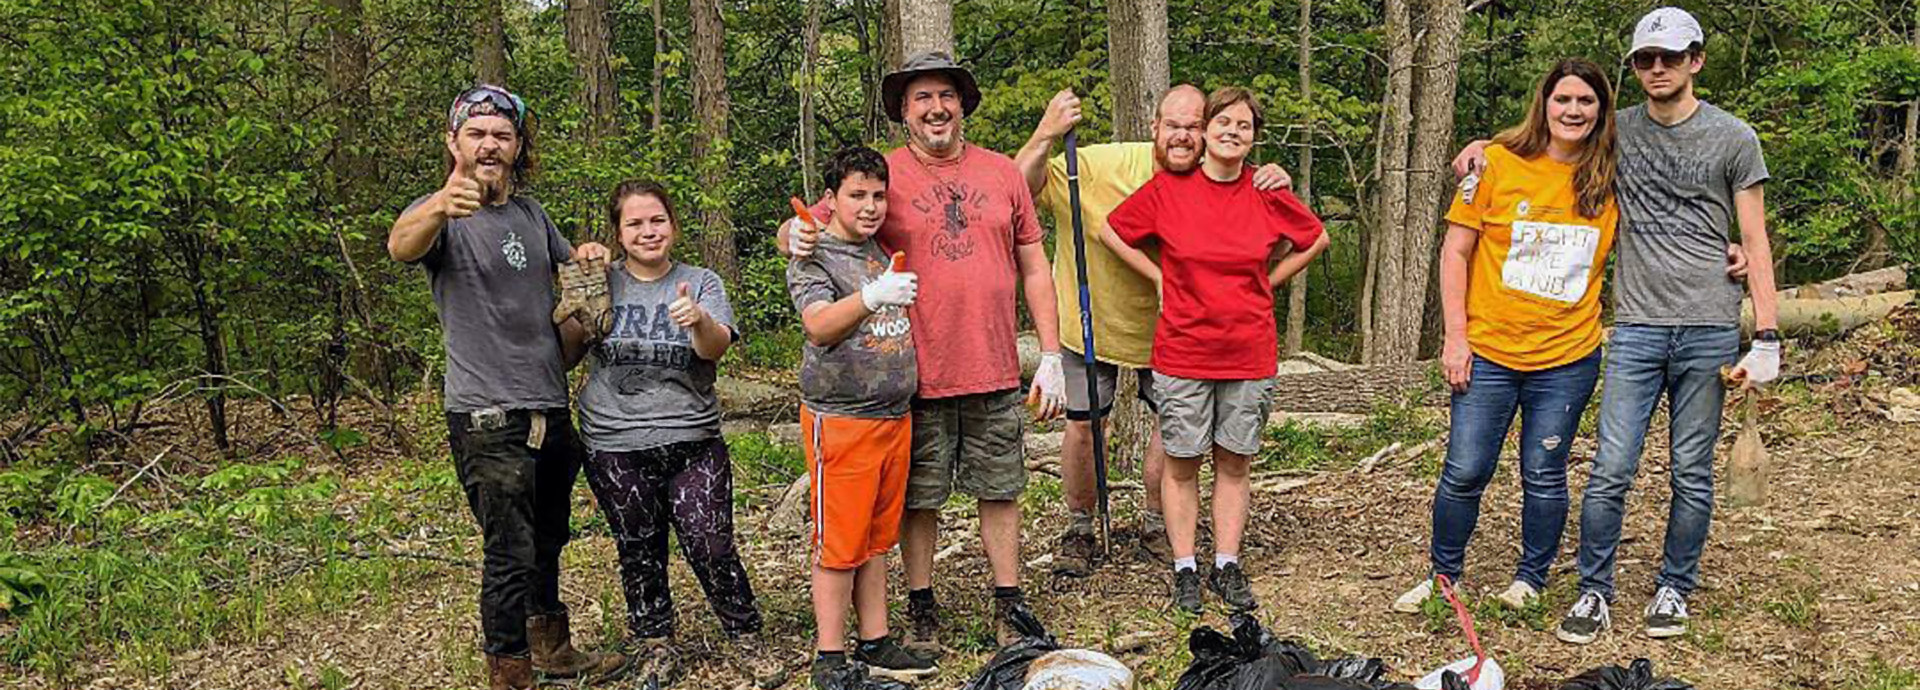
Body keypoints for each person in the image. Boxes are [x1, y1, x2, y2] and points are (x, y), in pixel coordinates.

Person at [1455, 6, 1782, 644]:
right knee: (1611, 467)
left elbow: (1754, 238)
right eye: (1645, 59)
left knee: (1691, 471)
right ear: (1634, 67)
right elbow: (1544, 138)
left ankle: (1674, 586)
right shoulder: (1615, 133)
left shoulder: (1735, 138)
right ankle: (1594, 591)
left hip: (1710, 325)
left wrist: (1766, 333)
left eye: (1671, 57)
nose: (1658, 68)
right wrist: (1478, 150)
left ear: (1696, 60)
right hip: (1634, 327)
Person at [780, 51, 1070, 651]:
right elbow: (806, 227)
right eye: (922, 99)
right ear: (904, 111)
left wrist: (1051, 354)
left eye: (946, 96)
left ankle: (1009, 602)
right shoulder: (880, 177)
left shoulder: (1002, 173)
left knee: (1001, 487)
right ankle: (921, 604)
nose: (936, 108)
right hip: (914, 373)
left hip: (993, 364)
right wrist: (794, 235)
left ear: (962, 105)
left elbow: (1034, 266)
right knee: (919, 498)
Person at [386, 84, 627, 689]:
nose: (489, 145)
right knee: (509, 551)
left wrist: (590, 261)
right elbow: (399, 244)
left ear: (518, 146)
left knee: (548, 537)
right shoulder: (443, 216)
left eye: (501, 135)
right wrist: (439, 205)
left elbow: (574, 291)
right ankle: (510, 673)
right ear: (454, 142)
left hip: (547, 403)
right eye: (476, 134)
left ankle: (552, 648)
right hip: (487, 416)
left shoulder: (532, 217)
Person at [1012, 85, 1295, 576]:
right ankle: (1080, 526)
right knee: (1084, 425)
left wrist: (1277, 183)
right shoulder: (1099, 165)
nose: (1182, 137)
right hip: (1091, 322)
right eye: (1173, 126)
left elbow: (1279, 239)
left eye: (1194, 127)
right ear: (1154, 127)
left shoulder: (1226, 179)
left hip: (1177, 335)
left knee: (1172, 430)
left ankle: (1156, 523)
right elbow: (1019, 189)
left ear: (1207, 131)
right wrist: (1045, 134)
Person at [1390, 59, 1620, 617]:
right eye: (1563, 99)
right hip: (1489, 350)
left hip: (1566, 357)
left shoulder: (1613, 174)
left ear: (1601, 111)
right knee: (1465, 469)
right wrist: (1455, 337)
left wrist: (1727, 250)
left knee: (1543, 472)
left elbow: (1672, 212)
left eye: (1585, 101)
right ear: (1544, 104)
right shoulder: (1494, 164)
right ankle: (1443, 577)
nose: (1573, 111)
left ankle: (1530, 579)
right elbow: (1455, 251)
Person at [1101, 87, 1329, 613]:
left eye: (1243, 126)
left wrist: (1270, 281)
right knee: (1182, 462)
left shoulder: (1266, 189)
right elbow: (1114, 231)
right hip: (1183, 350)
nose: (1232, 132)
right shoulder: (1168, 189)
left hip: (1248, 352)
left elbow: (1315, 238)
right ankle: (1185, 567)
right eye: (1222, 122)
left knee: (1234, 461)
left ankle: (1227, 563)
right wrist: (1157, 276)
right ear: (1205, 131)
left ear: (1253, 138)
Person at [565, 180, 783, 686]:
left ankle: (745, 635)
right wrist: (579, 294)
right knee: (638, 547)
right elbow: (567, 355)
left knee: (710, 542)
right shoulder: (602, 281)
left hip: (692, 438)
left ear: (674, 226)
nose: (648, 231)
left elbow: (714, 348)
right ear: (618, 232)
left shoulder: (700, 281)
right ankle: (655, 643)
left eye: (657, 220)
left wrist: (698, 320)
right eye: (635, 223)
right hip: (615, 441)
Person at [787, 148, 940, 687]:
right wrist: (873, 296)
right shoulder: (814, 256)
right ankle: (829, 658)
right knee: (839, 545)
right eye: (857, 195)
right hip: (841, 421)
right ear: (831, 200)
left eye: (878, 195)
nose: (870, 206)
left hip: (894, 418)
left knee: (876, 539)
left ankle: (875, 640)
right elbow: (818, 325)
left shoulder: (877, 251)